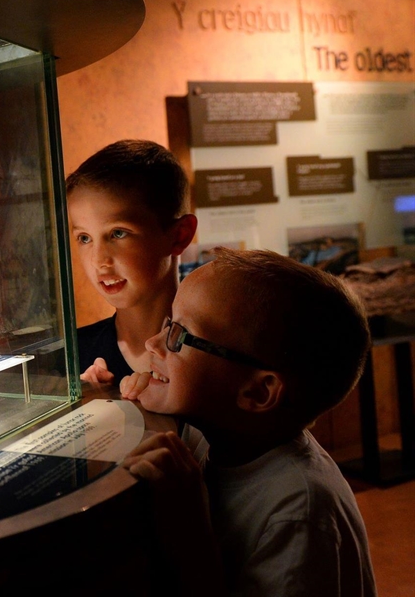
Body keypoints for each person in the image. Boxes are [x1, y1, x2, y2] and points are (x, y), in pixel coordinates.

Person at [122, 247, 376, 596]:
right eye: (169, 323)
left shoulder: (298, 512)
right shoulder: (216, 431)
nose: (153, 342)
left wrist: (190, 529)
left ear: (257, 393)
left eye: (179, 336)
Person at [65, 139, 197, 392]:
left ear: (180, 235)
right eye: (84, 238)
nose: (98, 261)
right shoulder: (71, 357)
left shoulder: (216, 358)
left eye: (118, 234)